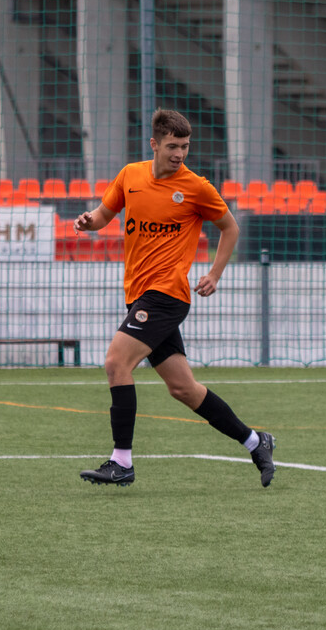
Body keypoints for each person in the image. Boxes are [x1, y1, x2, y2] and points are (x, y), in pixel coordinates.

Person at [75, 109, 276, 488]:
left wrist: (214, 274)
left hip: (167, 295)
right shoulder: (130, 176)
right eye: (172, 146)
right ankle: (256, 441)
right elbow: (104, 215)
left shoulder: (196, 187)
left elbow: (230, 228)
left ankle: (121, 462)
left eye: (184, 146)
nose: (179, 153)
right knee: (183, 388)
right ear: (154, 144)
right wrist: (89, 222)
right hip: (138, 295)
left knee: (116, 363)